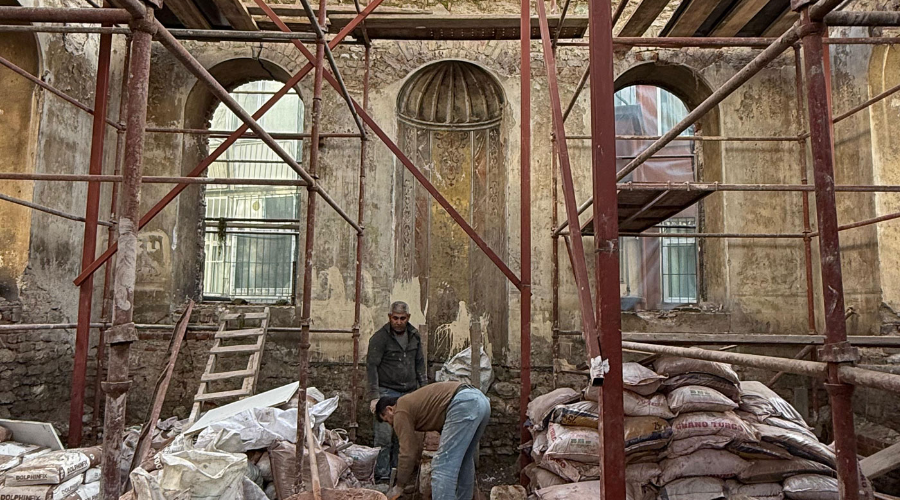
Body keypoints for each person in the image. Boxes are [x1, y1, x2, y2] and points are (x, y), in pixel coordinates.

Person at [376, 381, 491, 500]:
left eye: (387, 420)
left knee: (442, 465)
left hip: (464, 404)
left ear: (389, 409)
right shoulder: (412, 404)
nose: (390, 424)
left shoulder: (399, 411)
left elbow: (407, 452)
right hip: (480, 400)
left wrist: (399, 486)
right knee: (465, 459)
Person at [367, 301, 428, 483]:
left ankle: (398, 475)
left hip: (408, 393)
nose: (399, 322)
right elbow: (371, 367)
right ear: (389, 317)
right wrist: (375, 397)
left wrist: (424, 391)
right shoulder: (380, 338)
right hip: (386, 392)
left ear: (408, 318)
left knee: (403, 437)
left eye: (402, 318)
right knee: (384, 437)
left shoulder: (414, 336)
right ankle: (382, 476)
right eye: (395, 318)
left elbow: (420, 364)